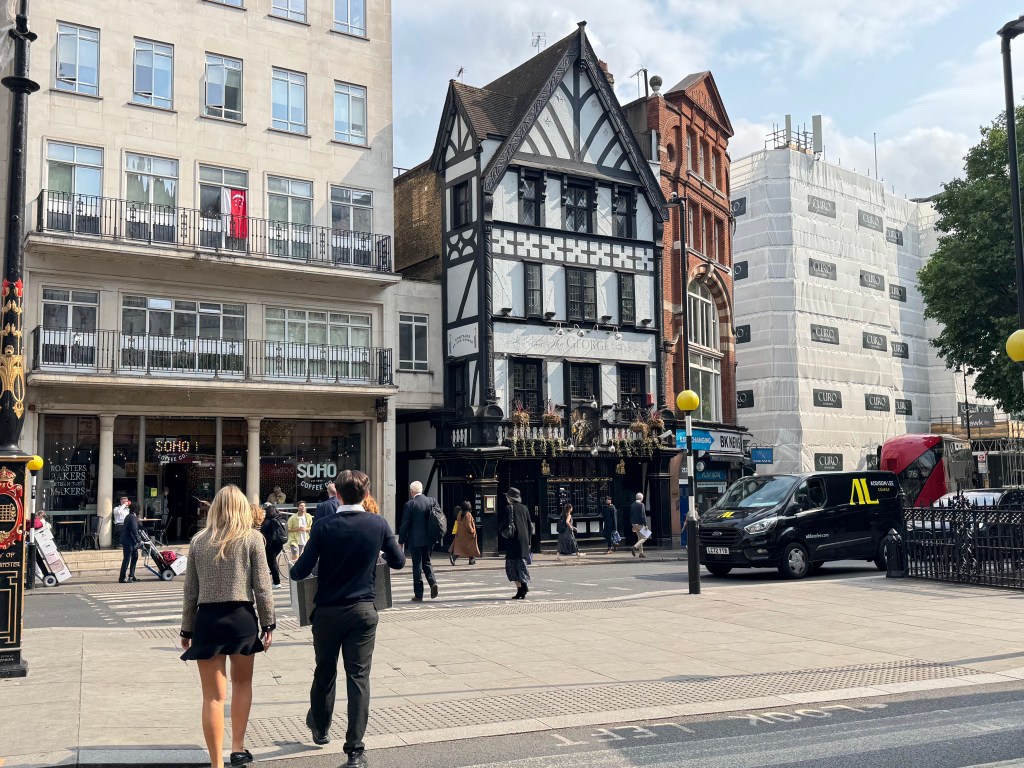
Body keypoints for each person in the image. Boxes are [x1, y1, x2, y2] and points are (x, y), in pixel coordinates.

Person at [290, 470, 405, 768]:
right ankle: (355, 750)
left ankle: (320, 728)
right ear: (366, 494)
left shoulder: (324, 526)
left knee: (324, 671)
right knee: (358, 677)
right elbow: (398, 561)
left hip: (328, 611)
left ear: (338, 494)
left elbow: (299, 571)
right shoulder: (377, 523)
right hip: (363, 610)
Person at [179, 484, 275, 768]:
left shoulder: (198, 541)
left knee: (212, 697)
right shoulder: (253, 539)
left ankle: (215, 764)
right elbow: (263, 586)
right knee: (242, 684)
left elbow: (190, 591)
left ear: (216, 509)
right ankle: (237, 748)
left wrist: (186, 628)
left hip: (208, 619)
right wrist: (268, 623)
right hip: (241, 617)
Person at [398, 481, 439, 602]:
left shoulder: (410, 504)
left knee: (417, 565)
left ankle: (418, 594)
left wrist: (401, 541)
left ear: (412, 492)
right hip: (429, 539)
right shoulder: (432, 501)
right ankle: (433, 582)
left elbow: (404, 525)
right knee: (427, 561)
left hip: (415, 540)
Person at [500, 488, 532, 599]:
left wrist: (501, 531)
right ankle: (523, 587)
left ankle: (521, 589)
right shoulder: (525, 508)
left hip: (513, 541)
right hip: (524, 541)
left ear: (510, 498)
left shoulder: (508, 508)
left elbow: (503, 524)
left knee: (512, 567)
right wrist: (529, 541)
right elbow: (529, 526)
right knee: (521, 566)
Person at [260, 503, 286, 589]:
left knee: (272, 562)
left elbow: (262, 532)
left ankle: (276, 582)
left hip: (271, 544)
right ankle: (274, 579)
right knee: (272, 562)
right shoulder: (281, 519)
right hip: (280, 544)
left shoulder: (267, 521)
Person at [118, 504, 142, 583]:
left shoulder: (129, 516)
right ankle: (122, 577)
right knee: (127, 559)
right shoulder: (132, 517)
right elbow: (134, 530)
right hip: (129, 541)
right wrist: (139, 540)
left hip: (130, 541)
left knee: (134, 557)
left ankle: (131, 575)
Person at [630, 492, 649, 559]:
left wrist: (632, 524)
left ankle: (641, 553)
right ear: (641, 498)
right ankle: (635, 547)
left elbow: (631, 515)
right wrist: (645, 524)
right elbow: (643, 516)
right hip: (640, 524)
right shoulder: (641, 505)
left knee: (639, 538)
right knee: (645, 536)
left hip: (634, 524)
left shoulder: (632, 505)